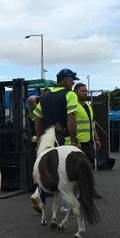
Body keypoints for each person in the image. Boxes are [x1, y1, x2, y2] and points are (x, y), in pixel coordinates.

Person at [30, 70, 79, 211]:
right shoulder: (70, 95)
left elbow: (37, 120)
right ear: (65, 80)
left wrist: (40, 139)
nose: (73, 82)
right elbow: (71, 118)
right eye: (72, 80)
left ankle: (38, 194)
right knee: (64, 171)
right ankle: (65, 204)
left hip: (47, 139)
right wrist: (74, 140)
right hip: (62, 137)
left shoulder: (44, 97)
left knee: (44, 167)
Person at [74, 82, 101, 165]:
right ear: (75, 92)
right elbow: (71, 124)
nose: (85, 93)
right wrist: (75, 141)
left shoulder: (88, 107)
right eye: (82, 91)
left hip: (89, 142)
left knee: (89, 167)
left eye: (86, 91)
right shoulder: (73, 106)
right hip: (79, 143)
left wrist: (97, 139)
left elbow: (92, 125)